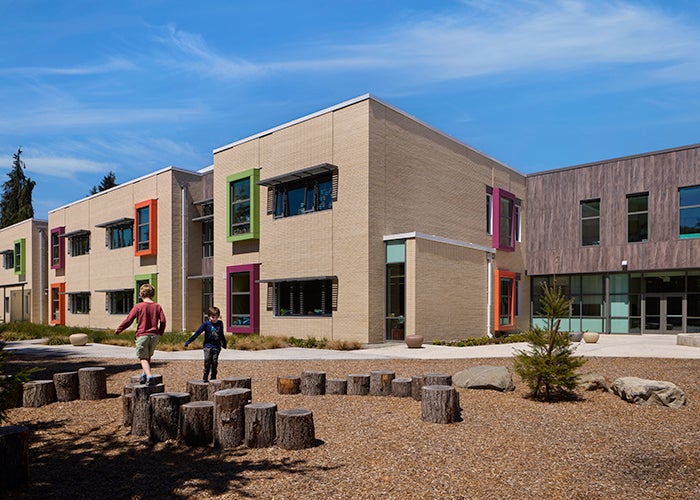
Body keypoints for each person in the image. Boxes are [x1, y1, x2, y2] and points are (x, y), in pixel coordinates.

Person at [115, 283, 166, 386]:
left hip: (142, 335)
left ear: (141, 294)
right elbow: (163, 321)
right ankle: (145, 374)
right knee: (148, 356)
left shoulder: (138, 306)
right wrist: (160, 332)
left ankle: (150, 377)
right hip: (154, 335)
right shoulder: (157, 306)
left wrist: (119, 329)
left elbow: (129, 320)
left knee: (143, 358)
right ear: (153, 294)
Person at [184, 306, 227, 382]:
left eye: (216, 317)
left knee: (214, 361)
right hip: (207, 346)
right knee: (207, 360)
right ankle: (205, 374)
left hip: (216, 346)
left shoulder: (220, 324)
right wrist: (188, 342)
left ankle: (213, 376)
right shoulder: (206, 324)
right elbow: (197, 333)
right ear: (209, 317)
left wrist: (224, 343)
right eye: (213, 317)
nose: (215, 319)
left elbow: (221, 335)